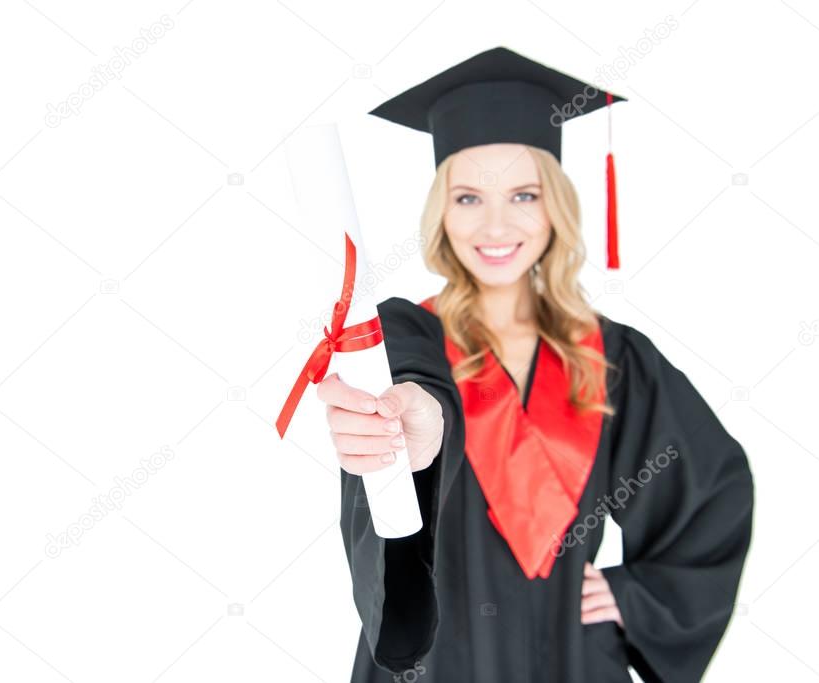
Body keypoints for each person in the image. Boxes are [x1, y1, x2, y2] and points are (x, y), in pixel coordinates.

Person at [317, 47, 755, 682]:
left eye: (523, 194)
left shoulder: (614, 357)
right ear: (441, 209)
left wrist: (637, 593)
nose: (495, 224)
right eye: (468, 197)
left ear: (556, 206)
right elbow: (420, 392)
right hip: (439, 664)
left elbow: (714, 489)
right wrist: (415, 423)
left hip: (572, 657)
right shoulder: (406, 337)